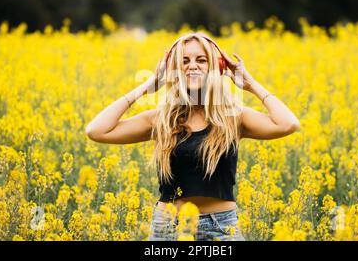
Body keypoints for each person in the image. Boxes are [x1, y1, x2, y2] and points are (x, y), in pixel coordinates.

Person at [85, 32, 301, 241]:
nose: (193, 66)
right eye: (184, 61)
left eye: (201, 60)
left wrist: (250, 84)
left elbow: (288, 124)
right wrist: (147, 87)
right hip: (168, 227)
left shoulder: (234, 117)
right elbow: (97, 131)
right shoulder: (160, 119)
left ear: (217, 67)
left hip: (221, 227)